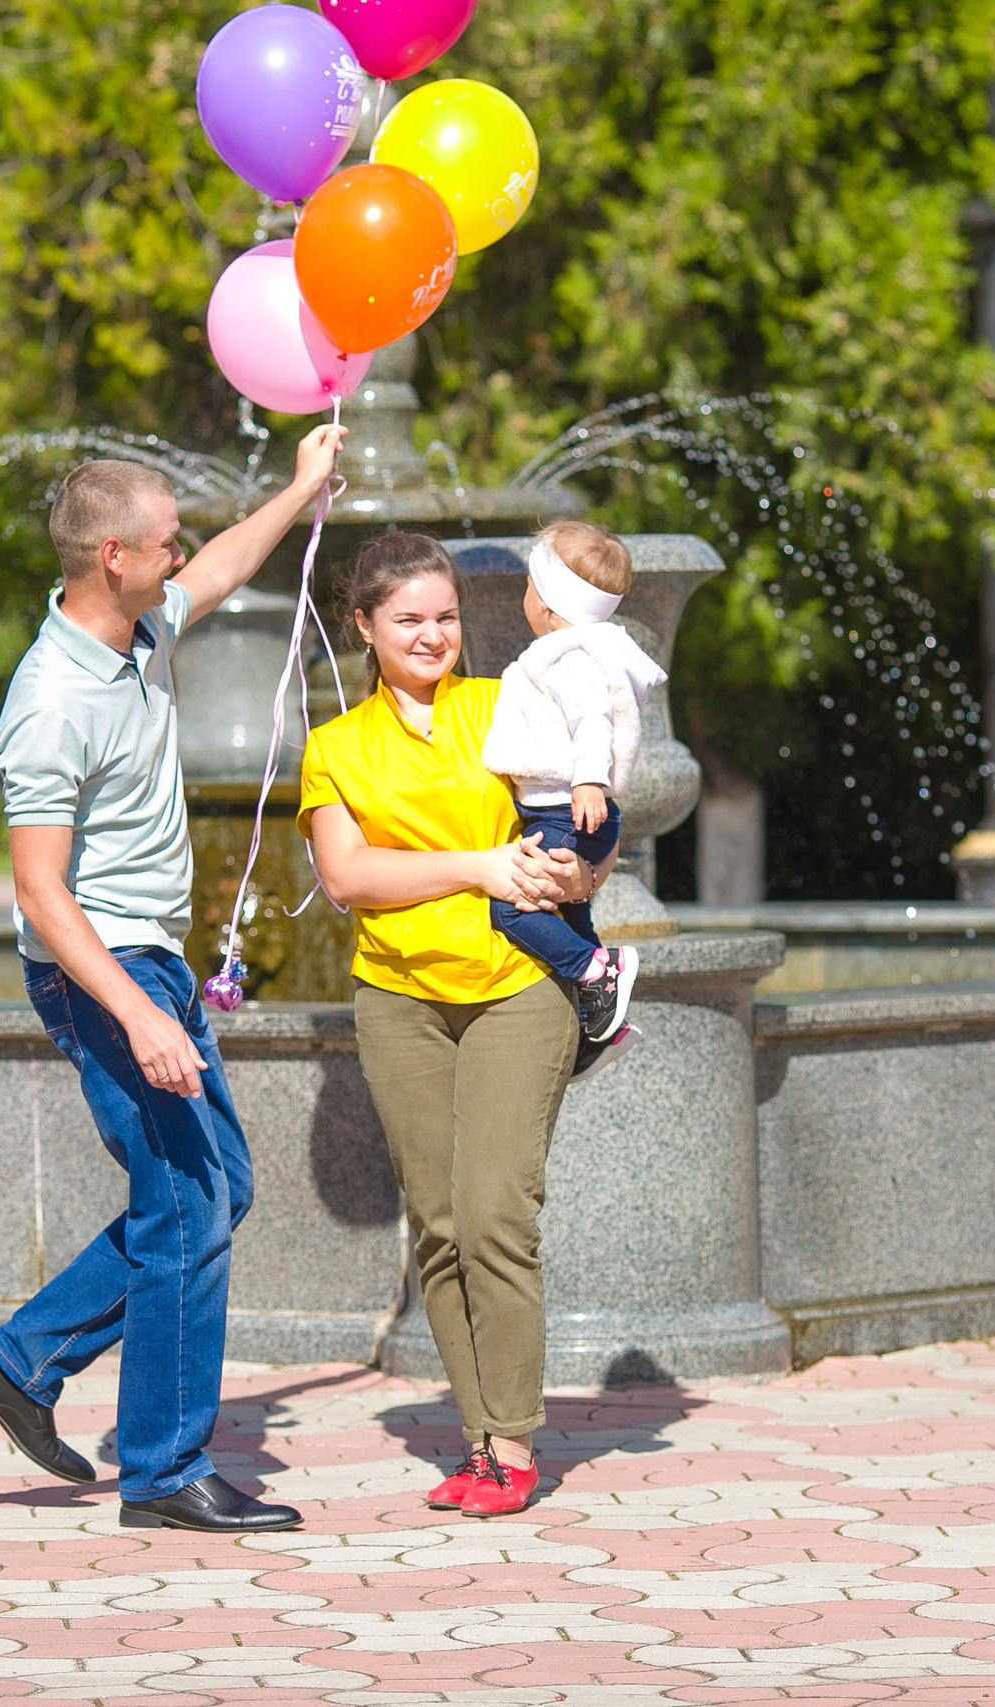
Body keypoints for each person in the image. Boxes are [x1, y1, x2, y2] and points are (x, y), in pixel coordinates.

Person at [0, 426, 345, 1535]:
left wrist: (301, 487)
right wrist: (135, 1014)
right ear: (111, 555)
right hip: (102, 971)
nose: (184, 553)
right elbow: (40, 893)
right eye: (166, 541)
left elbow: (220, 569)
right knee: (184, 1206)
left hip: (150, 960)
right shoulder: (49, 701)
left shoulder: (142, 625)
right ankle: (164, 1471)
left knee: (218, 1191)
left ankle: (20, 1362)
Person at [299, 532, 619, 1523]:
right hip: (399, 998)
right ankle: (480, 1439)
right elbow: (348, 876)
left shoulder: (505, 701)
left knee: (494, 1217)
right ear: (364, 625)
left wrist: (584, 872)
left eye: (445, 616)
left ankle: (512, 1443)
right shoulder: (335, 746)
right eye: (408, 619)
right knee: (438, 1227)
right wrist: (479, 868)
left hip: (516, 985)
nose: (432, 635)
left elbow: (585, 817)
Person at [480, 521, 666, 1044]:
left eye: (528, 585)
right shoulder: (585, 651)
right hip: (572, 814)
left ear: (544, 603)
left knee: (512, 908)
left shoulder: (570, 660)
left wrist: (587, 780)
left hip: (565, 812)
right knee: (572, 916)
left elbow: (592, 721)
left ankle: (595, 969)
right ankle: (597, 1020)